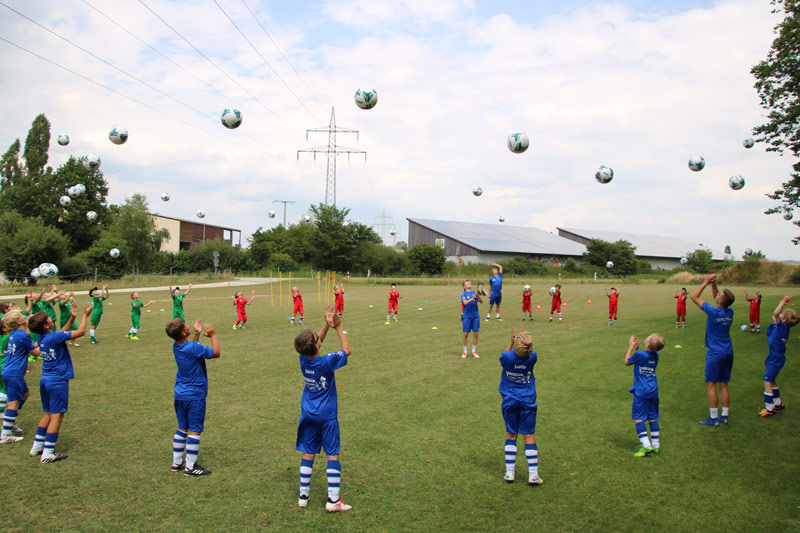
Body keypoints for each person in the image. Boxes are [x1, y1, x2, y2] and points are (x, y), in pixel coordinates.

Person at [294, 306, 352, 512]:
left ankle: (303, 496)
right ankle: (333, 500)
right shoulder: (327, 362)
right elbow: (347, 350)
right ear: (317, 346)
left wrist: (325, 325)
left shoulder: (303, 359)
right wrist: (337, 327)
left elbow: (314, 342)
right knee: (332, 454)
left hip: (308, 413)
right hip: (327, 416)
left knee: (308, 452)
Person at [27, 302, 92, 462]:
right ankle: (48, 453)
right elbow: (81, 331)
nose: (50, 318)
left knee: (48, 413)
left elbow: (61, 332)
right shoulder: (53, 336)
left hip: (46, 379)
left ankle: (36, 447)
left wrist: (72, 318)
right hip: (57, 380)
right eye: (48, 318)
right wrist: (84, 316)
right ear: (46, 325)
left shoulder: (43, 337)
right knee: (57, 417)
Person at [166, 317, 220, 476]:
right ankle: (190, 467)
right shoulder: (193, 347)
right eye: (186, 326)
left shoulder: (177, 346)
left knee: (182, 427)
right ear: (183, 332)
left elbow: (191, 347)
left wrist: (196, 334)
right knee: (195, 429)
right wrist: (213, 335)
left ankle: (176, 463)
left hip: (180, 394)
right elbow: (216, 353)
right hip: (195, 395)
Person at [499, 326, 543, 485]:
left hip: (510, 400)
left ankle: (509, 473)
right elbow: (528, 351)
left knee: (511, 434)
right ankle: (533, 474)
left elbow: (504, 356)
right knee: (528, 435)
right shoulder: (533, 357)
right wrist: (524, 340)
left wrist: (512, 342)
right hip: (528, 399)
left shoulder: (507, 357)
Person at [690, 271, 735, 426]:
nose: (717, 294)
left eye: (719, 295)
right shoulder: (729, 312)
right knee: (724, 384)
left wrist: (706, 281)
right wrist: (713, 283)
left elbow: (694, 297)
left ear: (721, 301)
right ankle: (725, 416)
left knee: (710, 384)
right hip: (728, 351)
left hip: (716, 352)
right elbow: (718, 296)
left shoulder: (714, 312)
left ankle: (713, 418)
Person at [0, 309, 41, 443]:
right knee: (13, 403)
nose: (24, 316)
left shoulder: (16, 334)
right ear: (18, 321)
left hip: (11, 371)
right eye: (22, 316)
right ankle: (5, 435)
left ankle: (10, 423)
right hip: (14, 373)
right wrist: (45, 340)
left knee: (25, 394)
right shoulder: (21, 335)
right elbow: (35, 353)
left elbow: (30, 347)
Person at [625, 333, 665, 457]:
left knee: (638, 418)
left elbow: (627, 362)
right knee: (652, 417)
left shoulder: (639, 355)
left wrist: (631, 347)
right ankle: (656, 445)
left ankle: (646, 445)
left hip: (641, 392)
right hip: (653, 391)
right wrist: (638, 350)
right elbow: (644, 358)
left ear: (647, 344)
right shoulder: (656, 355)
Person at [758, 295, 798, 417]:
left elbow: (775, 314)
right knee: (772, 380)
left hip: (775, 358)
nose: (780, 314)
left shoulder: (782, 327)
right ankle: (778, 403)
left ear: (784, 320)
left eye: (782, 314)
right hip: (775, 357)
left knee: (767, 381)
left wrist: (783, 301)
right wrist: (782, 304)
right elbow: (776, 315)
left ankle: (769, 409)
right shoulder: (783, 327)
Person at [461, 280, 483, 358]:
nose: (469, 283)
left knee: (476, 333)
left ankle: (474, 351)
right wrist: (473, 297)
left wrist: (477, 295)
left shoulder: (474, 293)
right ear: (464, 286)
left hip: (475, 316)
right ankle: (465, 351)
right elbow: (465, 303)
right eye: (467, 283)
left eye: (469, 282)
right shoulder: (463, 294)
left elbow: (481, 302)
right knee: (466, 334)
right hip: (467, 316)